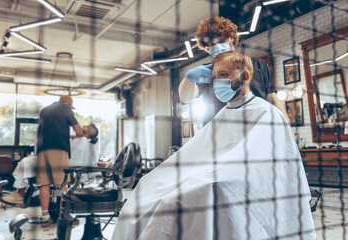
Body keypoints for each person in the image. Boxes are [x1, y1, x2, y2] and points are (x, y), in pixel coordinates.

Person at [112, 51, 315, 239]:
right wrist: (187, 78)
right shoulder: (222, 115)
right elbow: (186, 101)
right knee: (148, 186)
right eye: (216, 76)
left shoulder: (266, 113)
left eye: (224, 75)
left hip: (236, 180)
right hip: (213, 171)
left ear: (244, 77)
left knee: (183, 197)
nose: (217, 82)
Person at [178, 16, 295, 139]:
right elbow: (185, 98)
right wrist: (188, 79)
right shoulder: (206, 72)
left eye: (220, 40)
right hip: (219, 136)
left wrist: (290, 136)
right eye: (211, 44)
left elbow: (274, 101)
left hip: (256, 134)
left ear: (232, 38)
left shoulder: (257, 65)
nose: (216, 46)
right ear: (207, 48)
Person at [1, 124, 100, 205]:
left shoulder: (81, 141)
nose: (82, 125)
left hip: (60, 165)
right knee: (28, 161)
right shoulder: (85, 142)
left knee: (27, 161)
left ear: (88, 131)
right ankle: (20, 192)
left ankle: (20, 193)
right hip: (64, 166)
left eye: (85, 125)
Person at [36, 95, 83, 227]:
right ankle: (65, 215)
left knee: (44, 183)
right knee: (62, 183)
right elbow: (78, 129)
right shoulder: (66, 109)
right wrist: (79, 135)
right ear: (67, 103)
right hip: (58, 149)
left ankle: (45, 216)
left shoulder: (45, 110)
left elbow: (50, 131)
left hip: (42, 150)